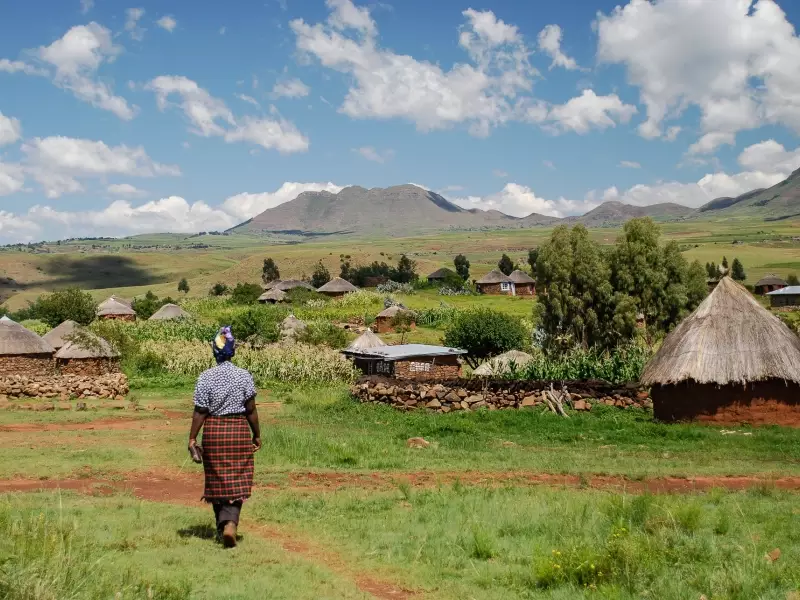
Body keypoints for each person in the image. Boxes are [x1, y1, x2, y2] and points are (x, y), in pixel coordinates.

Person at [188, 326, 261, 548]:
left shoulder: (205, 377)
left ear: (214, 351)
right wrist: (256, 435)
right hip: (238, 431)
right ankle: (230, 524)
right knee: (238, 478)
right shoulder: (244, 375)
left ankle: (223, 525)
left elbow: (200, 411)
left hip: (214, 432)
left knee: (217, 479)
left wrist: (192, 438)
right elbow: (251, 409)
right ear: (232, 351)